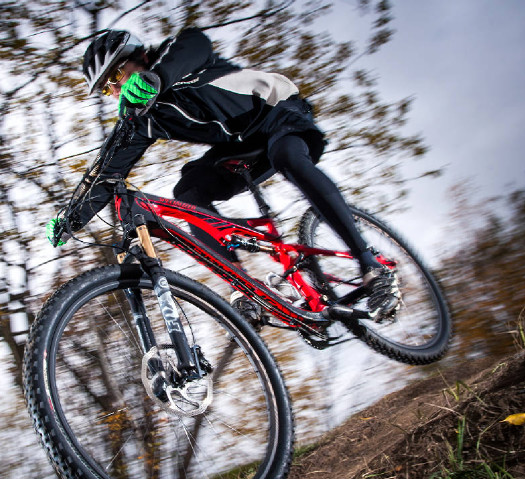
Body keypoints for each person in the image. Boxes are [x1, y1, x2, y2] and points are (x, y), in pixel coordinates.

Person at [47, 27, 400, 321]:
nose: (115, 90)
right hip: (239, 146)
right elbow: (107, 172)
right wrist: (73, 217)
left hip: (277, 113)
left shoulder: (173, 54)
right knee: (188, 193)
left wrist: (156, 78)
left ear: (139, 56)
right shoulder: (144, 120)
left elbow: (195, 44)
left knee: (287, 156)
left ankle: (371, 265)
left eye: (115, 76)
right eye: (106, 88)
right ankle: (245, 287)